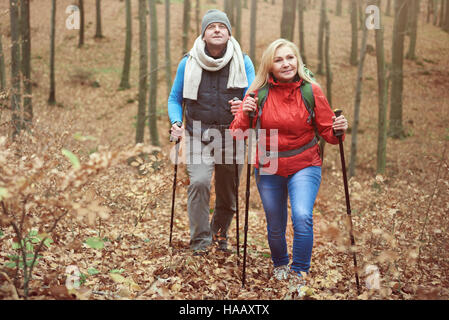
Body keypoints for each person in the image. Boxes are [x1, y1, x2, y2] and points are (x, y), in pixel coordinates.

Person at [230, 39, 348, 293]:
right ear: (269, 67)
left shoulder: (311, 91)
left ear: (298, 61)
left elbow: (328, 133)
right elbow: (237, 134)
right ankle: (280, 263)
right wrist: (244, 112)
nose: (286, 64)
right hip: (268, 164)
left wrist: (339, 130)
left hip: (304, 162)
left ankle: (299, 271)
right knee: (275, 223)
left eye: (290, 58)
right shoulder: (258, 93)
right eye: (279, 59)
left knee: (303, 216)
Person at [168, 9, 255, 255]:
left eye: (222, 27)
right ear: (204, 34)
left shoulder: (244, 61)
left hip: (232, 135)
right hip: (198, 135)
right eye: (211, 27)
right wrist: (176, 122)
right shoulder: (188, 62)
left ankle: (219, 234)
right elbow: (175, 98)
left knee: (228, 192)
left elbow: (253, 96)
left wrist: (245, 106)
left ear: (229, 33)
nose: (217, 30)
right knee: (199, 182)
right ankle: (200, 242)